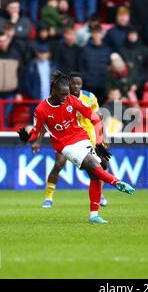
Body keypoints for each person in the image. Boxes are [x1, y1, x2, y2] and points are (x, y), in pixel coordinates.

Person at [17, 71, 135, 224]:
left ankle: (94, 215)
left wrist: (99, 142)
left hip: (81, 137)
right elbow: (36, 130)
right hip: (64, 145)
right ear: (53, 91)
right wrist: (28, 137)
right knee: (93, 165)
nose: (66, 97)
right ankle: (117, 182)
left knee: (97, 174)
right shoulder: (41, 109)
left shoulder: (71, 100)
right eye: (62, 94)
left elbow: (95, 118)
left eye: (67, 94)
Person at [31, 72, 109, 208]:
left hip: (87, 135)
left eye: (79, 84)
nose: (75, 86)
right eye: (73, 83)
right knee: (59, 164)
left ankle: (99, 194)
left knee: (102, 165)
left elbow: (98, 117)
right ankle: (48, 197)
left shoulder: (89, 97)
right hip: (66, 137)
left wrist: (104, 136)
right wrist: (38, 140)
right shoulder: (60, 98)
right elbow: (47, 122)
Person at [79, 24, 111, 104]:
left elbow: (109, 66)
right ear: (92, 34)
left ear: (102, 34)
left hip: (103, 86)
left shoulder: (107, 49)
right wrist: (86, 79)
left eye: (99, 33)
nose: (97, 35)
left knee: (102, 112)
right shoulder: (85, 49)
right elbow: (81, 66)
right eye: (95, 33)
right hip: (89, 86)